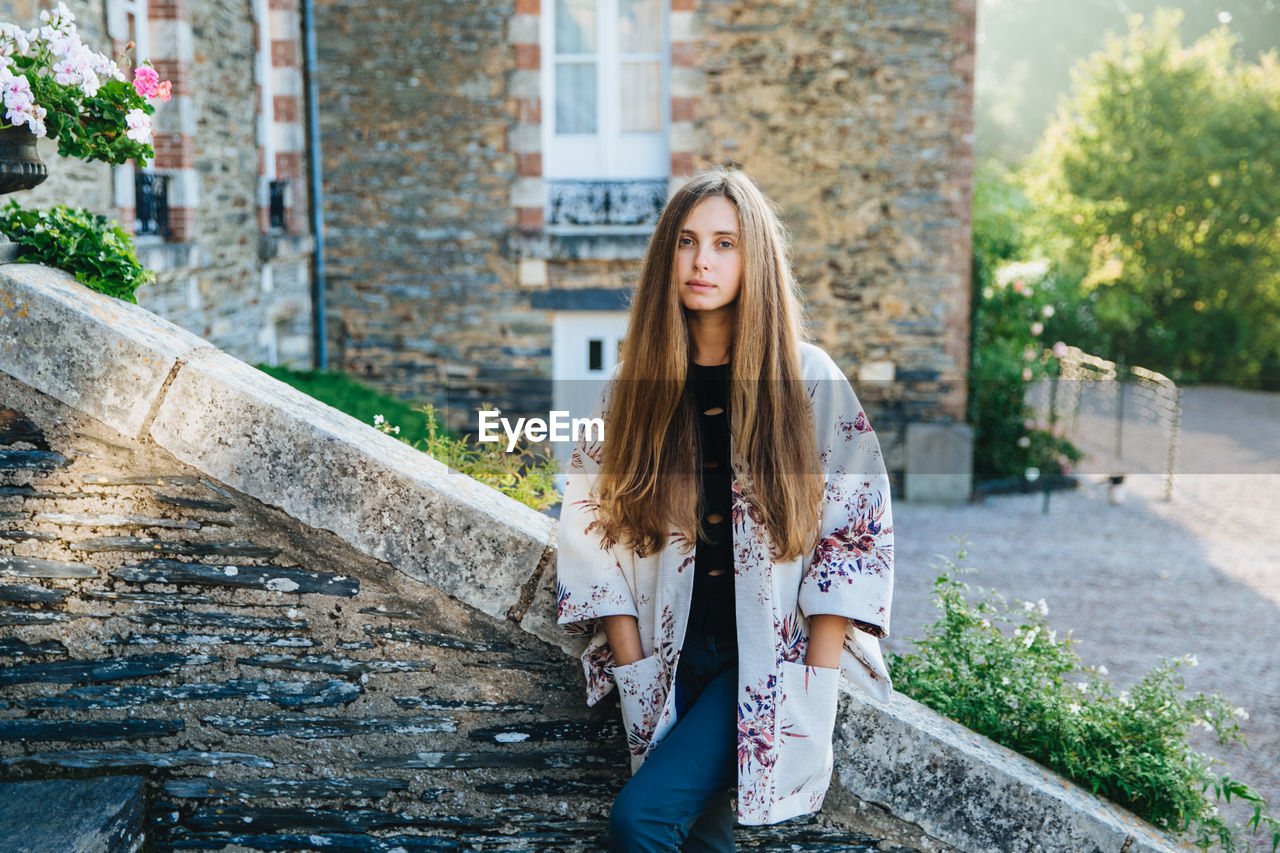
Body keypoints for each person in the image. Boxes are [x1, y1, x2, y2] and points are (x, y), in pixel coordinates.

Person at [555, 168, 894, 852]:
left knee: (641, 820)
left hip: (766, 659)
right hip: (669, 653)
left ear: (755, 259)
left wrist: (813, 677)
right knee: (703, 839)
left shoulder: (809, 382)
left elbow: (854, 533)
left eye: (723, 243)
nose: (701, 261)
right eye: (685, 241)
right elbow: (592, 532)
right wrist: (634, 666)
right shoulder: (635, 390)